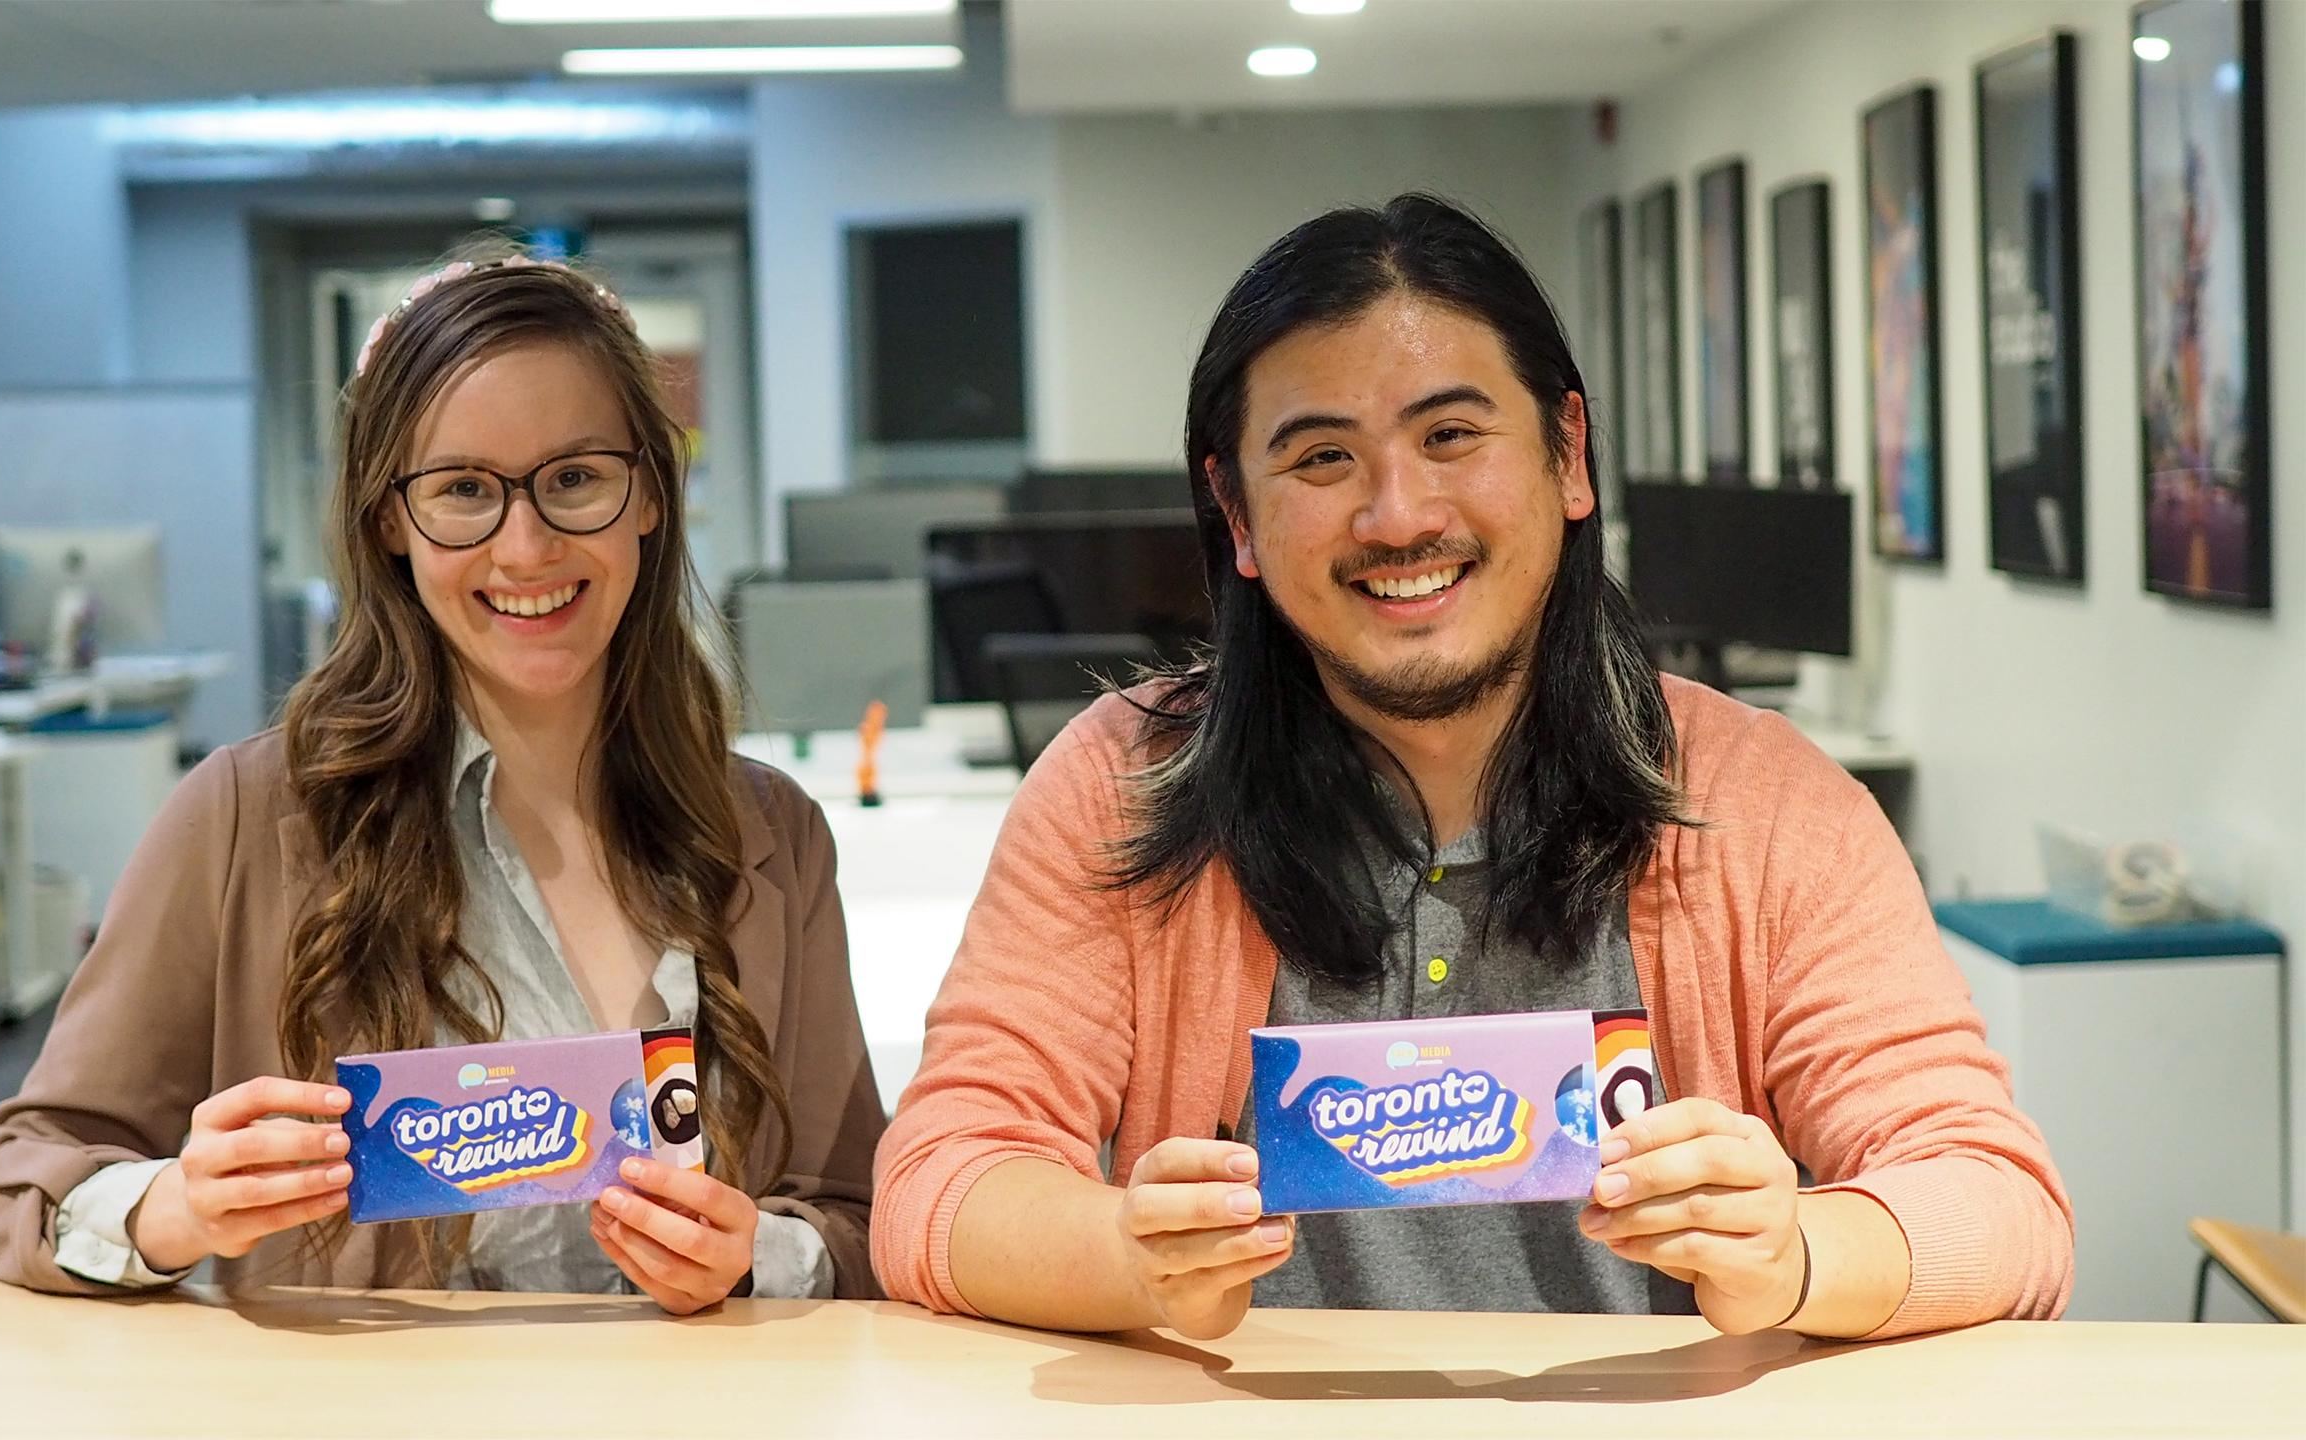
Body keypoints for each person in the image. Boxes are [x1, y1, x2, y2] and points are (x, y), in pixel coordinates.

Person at [872, 194, 2071, 1342]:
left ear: (1567, 455)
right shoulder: (1121, 786)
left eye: (1450, 436)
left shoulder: (1762, 804)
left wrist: (1796, 1252)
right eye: (1321, 459)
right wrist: (1124, 1254)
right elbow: (941, 1179)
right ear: (1234, 514)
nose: (1398, 516)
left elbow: (2000, 1204)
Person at [0, 249, 885, 1310]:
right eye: (463, 490)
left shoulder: (770, 832)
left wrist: (757, 1257)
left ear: (649, 495)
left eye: (576, 479)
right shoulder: (244, 818)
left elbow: (862, 1219)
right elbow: (22, 1183)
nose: (527, 544)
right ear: (388, 524)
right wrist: (175, 1207)